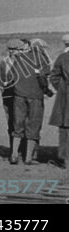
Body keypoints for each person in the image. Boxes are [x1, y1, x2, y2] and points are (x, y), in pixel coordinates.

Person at [2, 37, 52, 164]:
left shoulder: (19, 59)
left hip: (19, 96)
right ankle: (29, 158)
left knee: (17, 125)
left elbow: (10, 78)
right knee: (33, 126)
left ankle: (14, 155)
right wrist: (46, 90)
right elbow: (45, 74)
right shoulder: (40, 59)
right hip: (35, 96)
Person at [49, 34, 69, 169]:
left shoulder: (62, 58)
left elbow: (54, 77)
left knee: (65, 130)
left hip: (66, 99)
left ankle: (65, 159)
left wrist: (62, 89)